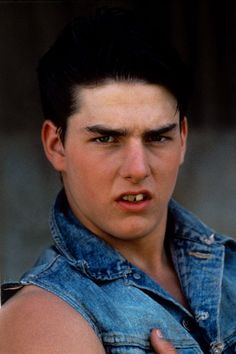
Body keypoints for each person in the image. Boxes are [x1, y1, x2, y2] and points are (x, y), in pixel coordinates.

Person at [1, 8, 235, 354]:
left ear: (183, 138)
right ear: (56, 145)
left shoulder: (230, 269)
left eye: (158, 137)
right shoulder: (43, 318)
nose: (138, 168)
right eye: (106, 139)